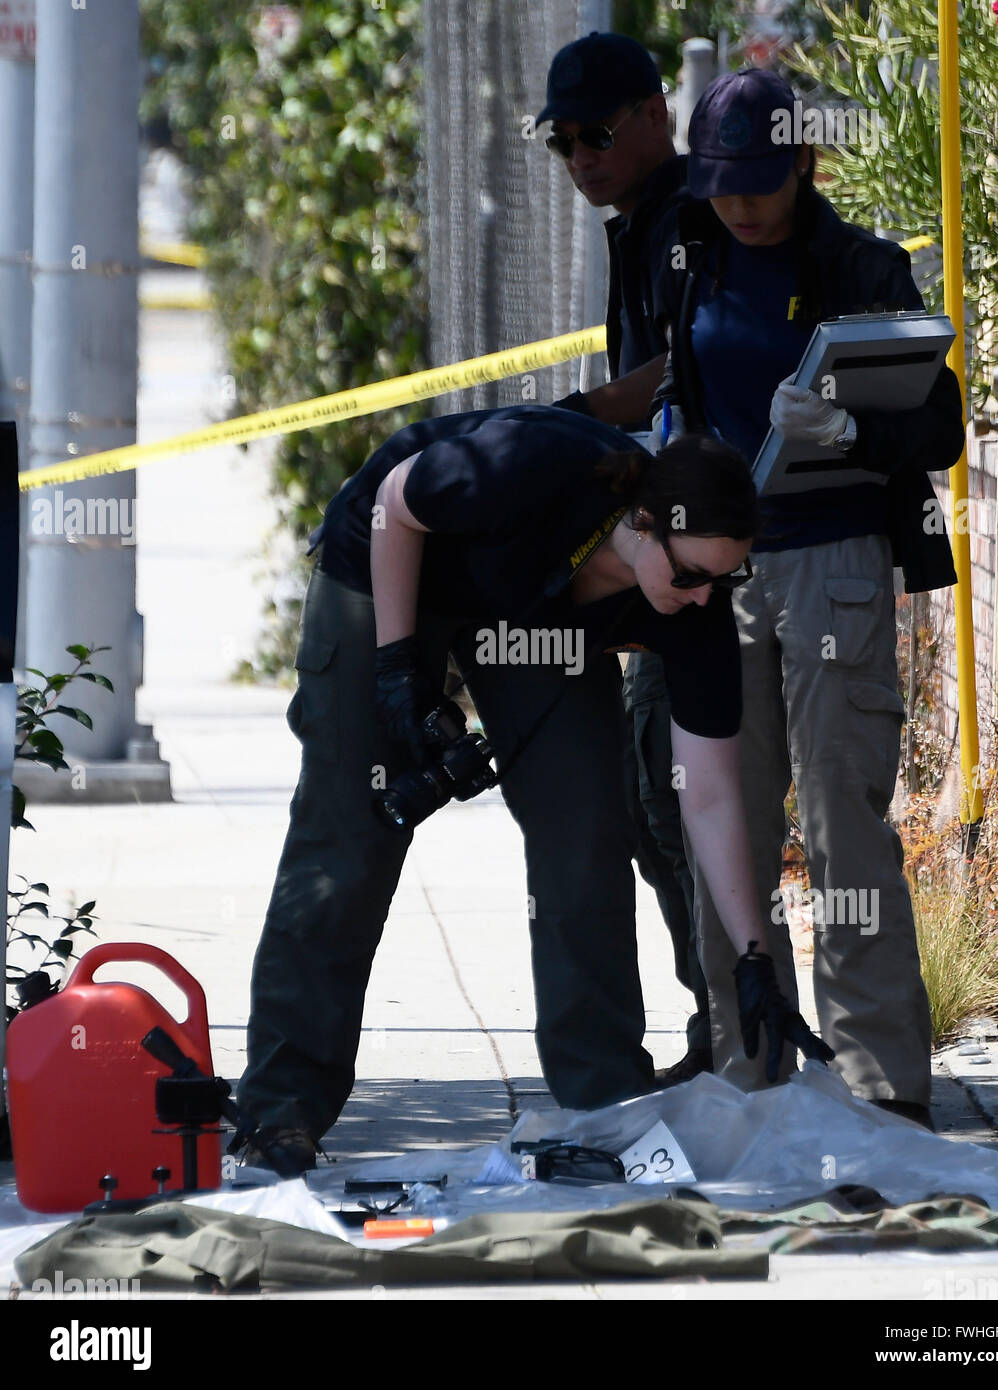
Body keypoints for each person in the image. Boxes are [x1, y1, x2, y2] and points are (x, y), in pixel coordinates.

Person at [233, 403, 832, 1176]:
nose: (701, 599)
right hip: (392, 566)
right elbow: (395, 507)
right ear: (642, 522)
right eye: (689, 575)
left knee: (584, 828)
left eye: (725, 578)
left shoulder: (694, 607)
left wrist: (754, 959)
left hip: (537, 621)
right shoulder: (534, 461)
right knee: (347, 837)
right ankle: (278, 1111)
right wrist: (395, 668)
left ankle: (604, 1103)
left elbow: (711, 795)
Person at [653, 68, 966, 1128]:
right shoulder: (687, 254)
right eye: (722, 183)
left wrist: (854, 434)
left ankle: (882, 1086)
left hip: (831, 561)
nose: (740, 203)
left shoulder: (862, 266)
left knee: (844, 829)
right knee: (726, 830)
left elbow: (940, 429)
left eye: (759, 182)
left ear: (805, 163)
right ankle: (748, 1071)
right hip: (711, 576)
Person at [538, 30, 714, 1085]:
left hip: (698, 557)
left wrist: (584, 418)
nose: (578, 158)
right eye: (561, 141)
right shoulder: (636, 221)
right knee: (653, 798)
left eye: (596, 133)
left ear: (654, 114)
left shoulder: (688, 219)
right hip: (653, 552)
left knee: (674, 789)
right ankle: (721, 1022)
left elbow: (687, 365)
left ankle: (735, 1028)